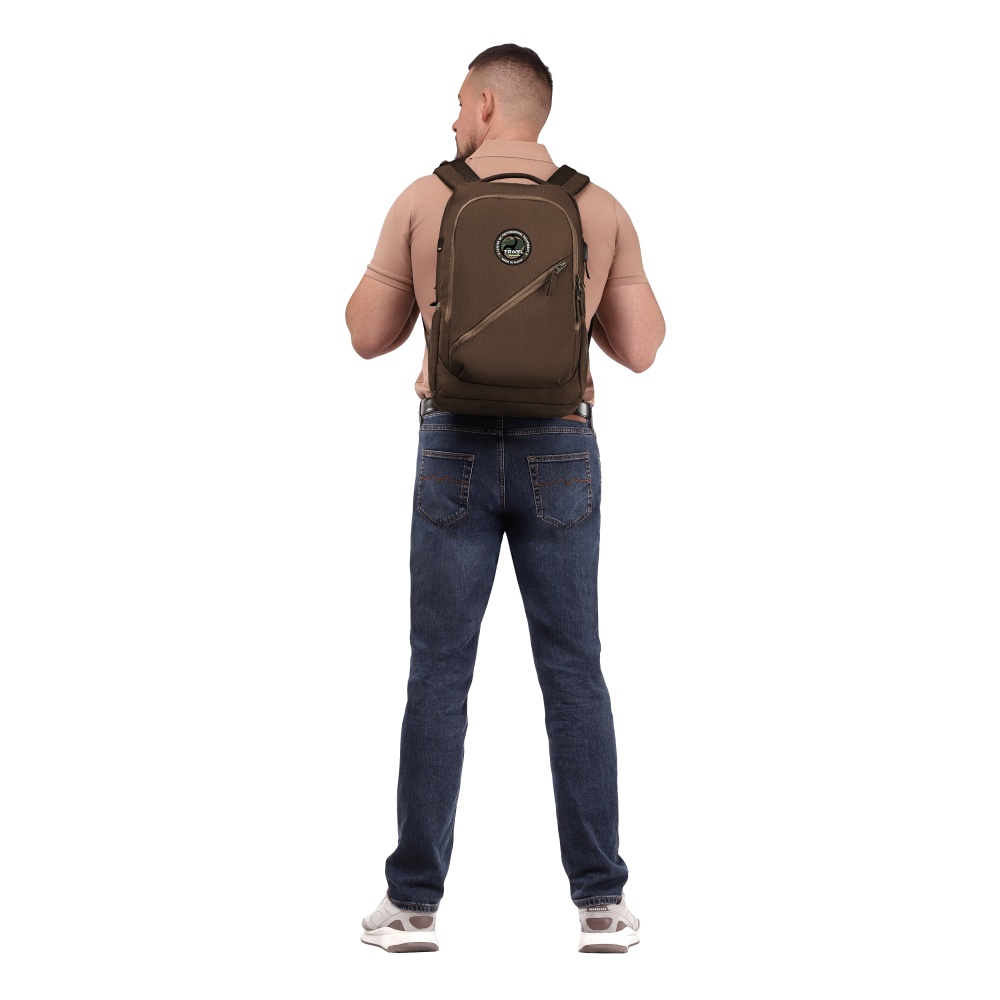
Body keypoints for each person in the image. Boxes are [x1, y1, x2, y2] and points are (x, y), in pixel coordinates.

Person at [345, 44, 665, 954]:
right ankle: (602, 905)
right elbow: (642, 349)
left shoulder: (424, 198)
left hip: (451, 450)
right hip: (561, 451)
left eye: (458, 103)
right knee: (574, 671)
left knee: (439, 674)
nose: (452, 119)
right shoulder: (598, 207)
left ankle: (412, 906)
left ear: (486, 104)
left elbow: (366, 334)